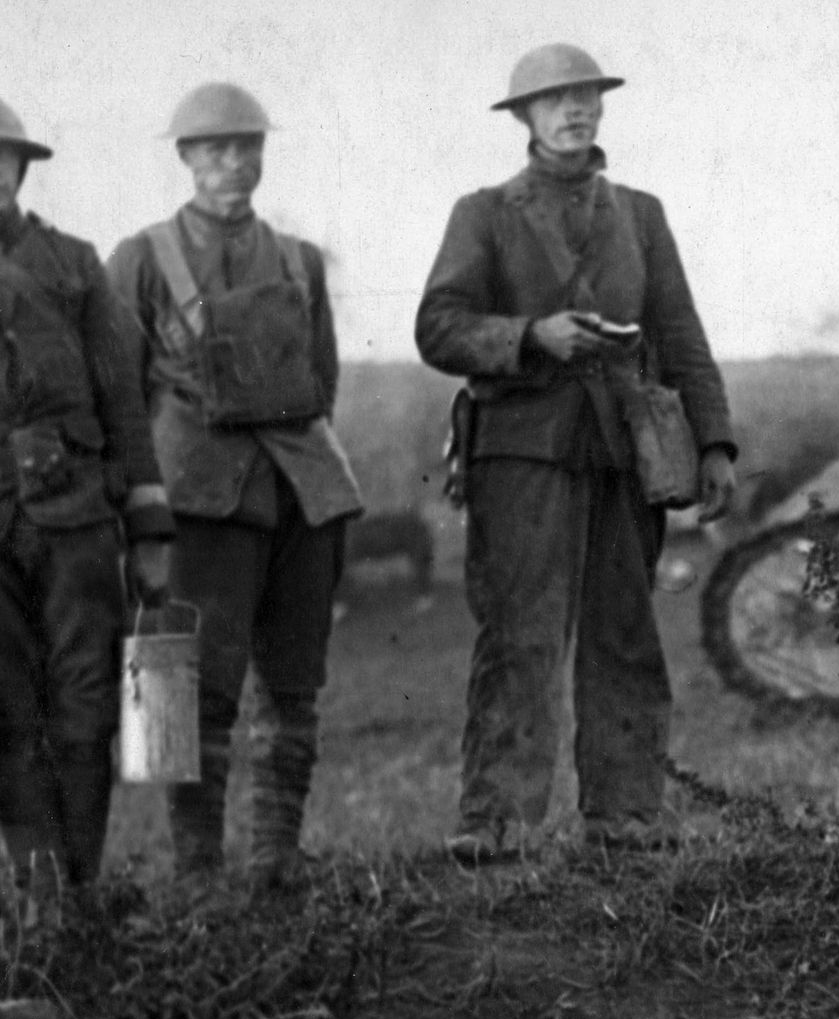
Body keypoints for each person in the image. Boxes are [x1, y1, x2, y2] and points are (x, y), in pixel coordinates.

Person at [414, 44, 736, 862]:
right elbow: (438, 326)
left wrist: (717, 444)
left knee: (625, 631)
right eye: (555, 100)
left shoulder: (642, 213)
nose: (575, 111)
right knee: (520, 633)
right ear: (523, 117)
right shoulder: (483, 213)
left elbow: (682, 338)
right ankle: (496, 821)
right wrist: (530, 335)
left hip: (625, 450)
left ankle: (627, 814)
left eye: (587, 95)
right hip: (520, 456)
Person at [110, 83, 364, 892]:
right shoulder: (142, 257)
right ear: (185, 158)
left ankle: (275, 857)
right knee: (190, 691)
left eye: (248, 145)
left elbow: (320, 381)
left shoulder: (301, 259)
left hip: (301, 493)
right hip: (196, 500)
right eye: (216, 148)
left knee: (294, 683)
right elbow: (118, 391)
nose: (236, 162)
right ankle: (197, 872)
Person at [0, 98, 172, 899]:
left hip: (75, 520)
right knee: (7, 717)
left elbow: (124, 403)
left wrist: (148, 530)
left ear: (18, 169)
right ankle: (39, 907)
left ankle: (80, 891)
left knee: (87, 705)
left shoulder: (74, 264)